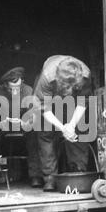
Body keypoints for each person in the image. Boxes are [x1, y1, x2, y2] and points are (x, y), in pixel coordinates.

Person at [33, 55, 92, 191]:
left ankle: (78, 173)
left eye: (74, 87)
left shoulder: (85, 75)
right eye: (66, 87)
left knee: (79, 129)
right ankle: (50, 178)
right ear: (59, 81)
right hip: (48, 99)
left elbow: (83, 101)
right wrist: (61, 127)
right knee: (46, 132)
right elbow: (44, 107)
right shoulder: (47, 77)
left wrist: (71, 125)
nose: (69, 92)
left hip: (74, 102)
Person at [0, 67, 43, 188]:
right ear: (5, 85)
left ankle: (36, 175)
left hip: (23, 125)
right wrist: (1, 121)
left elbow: (34, 115)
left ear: (22, 83)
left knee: (34, 133)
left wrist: (24, 122)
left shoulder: (28, 91)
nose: (15, 91)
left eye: (18, 87)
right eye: (11, 88)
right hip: (3, 127)